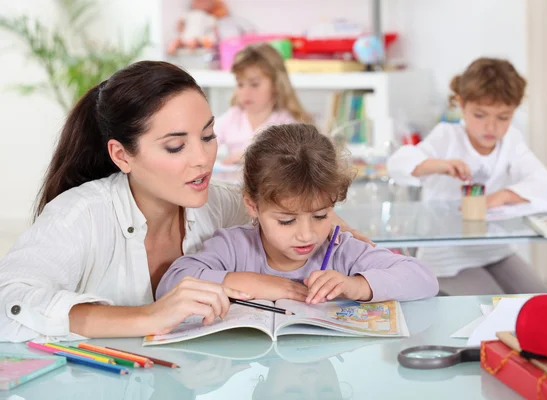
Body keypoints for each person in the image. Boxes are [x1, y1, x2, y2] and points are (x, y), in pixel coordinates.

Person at [0, 61, 366, 343]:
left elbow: (295, 212)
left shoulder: (221, 206)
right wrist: (147, 317)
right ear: (122, 155)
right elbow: (8, 304)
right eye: (176, 146)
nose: (202, 159)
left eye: (208, 136)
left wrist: (334, 224)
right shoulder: (81, 214)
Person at [157, 124, 438, 303]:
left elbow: (424, 279)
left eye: (320, 216)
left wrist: (356, 285)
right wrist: (253, 282)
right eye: (287, 220)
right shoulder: (234, 247)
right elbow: (170, 284)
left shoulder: (340, 250)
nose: (307, 234)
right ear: (253, 205)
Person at [386, 57, 547, 295]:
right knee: (492, 305)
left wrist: (504, 195)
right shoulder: (447, 137)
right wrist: (438, 165)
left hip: (494, 251)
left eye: (503, 117)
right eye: (480, 115)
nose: (491, 127)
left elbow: (544, 182)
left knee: (542, 299)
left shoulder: (511, 141)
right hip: (448, 258)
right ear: (461, 104)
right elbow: (398, 164)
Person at [214, 42, 311, 165]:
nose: (245, 92)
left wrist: (250, 158)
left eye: (254, 84)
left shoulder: (287, 124)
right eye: (240, 84)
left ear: (276, 85)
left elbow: (294, 164)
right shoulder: (232, 117)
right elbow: (205, 141)